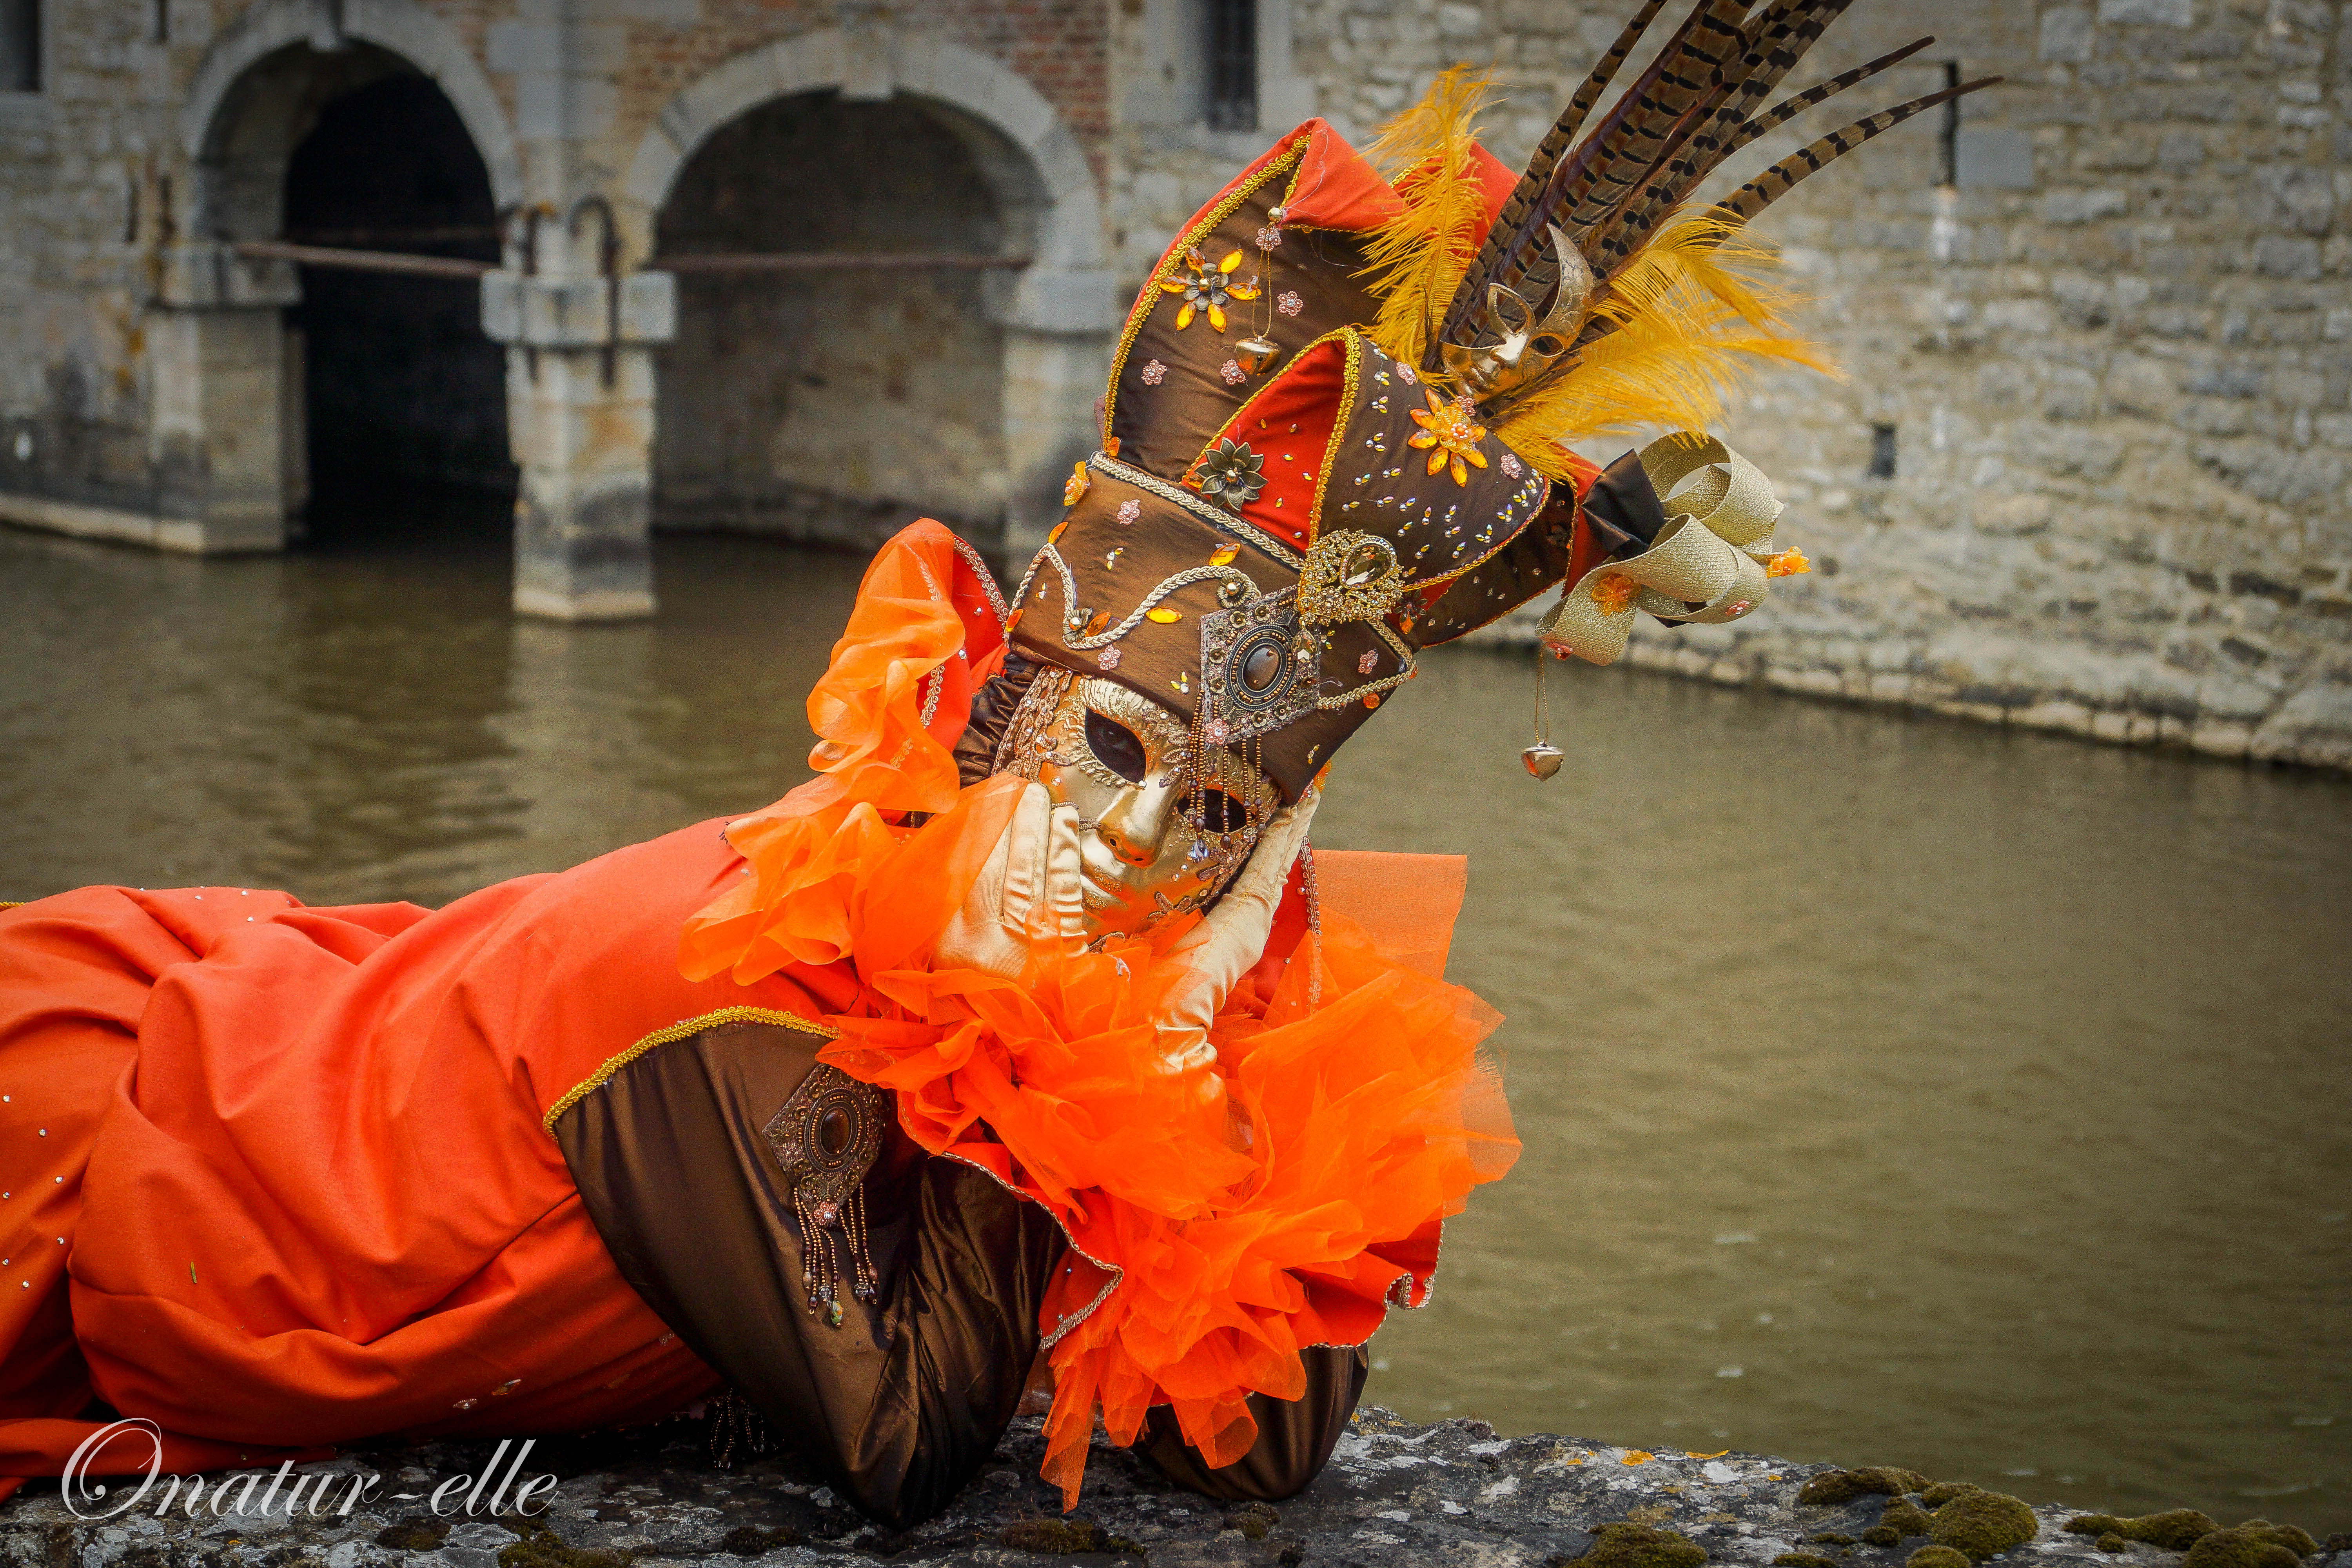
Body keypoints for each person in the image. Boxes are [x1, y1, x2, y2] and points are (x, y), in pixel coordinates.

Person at [0, 3, 1989, 1524]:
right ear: (997, 709)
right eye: (1113, 754)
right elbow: (910, 1442)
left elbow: (1250, 1449)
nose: (1126, 847)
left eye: (1205, 817)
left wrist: (1203, 995)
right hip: (131, 1187)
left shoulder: (1114, 948)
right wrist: (1102, 1052)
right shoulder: (739, 994)